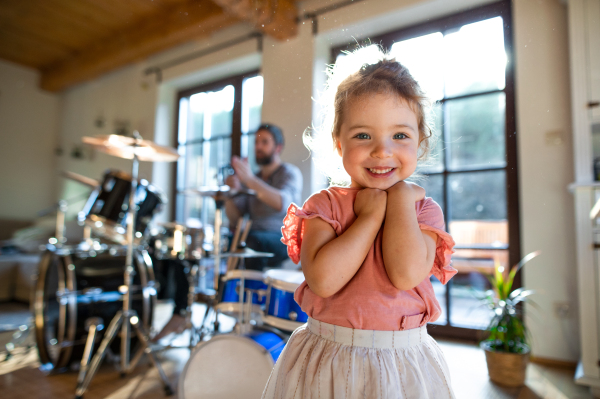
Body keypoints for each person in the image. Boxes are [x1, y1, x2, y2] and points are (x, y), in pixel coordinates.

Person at [262, 52, 458, 398]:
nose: (382, 151)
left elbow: (406, 274)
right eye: (363, 136)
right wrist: (368, 217)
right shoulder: (324, 206)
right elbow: (322, 281)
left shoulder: (423, 211)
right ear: (339, 143)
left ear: (420, 144)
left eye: (399, 136)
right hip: (329, 358)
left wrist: (397, 200)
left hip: (401, 365)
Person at [225, 123, 303, 271]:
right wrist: (232, 193)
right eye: (256, 142)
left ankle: (252, 291)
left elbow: (284, 204)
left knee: (252, 242)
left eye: (264, 142)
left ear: (278, 147)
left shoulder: (289, 173)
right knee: (232, 240)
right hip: (252, 236)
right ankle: (231, 291)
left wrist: (249, 181)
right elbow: (236, 219)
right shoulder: (254, 178)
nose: (258, 147)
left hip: (282, 238)